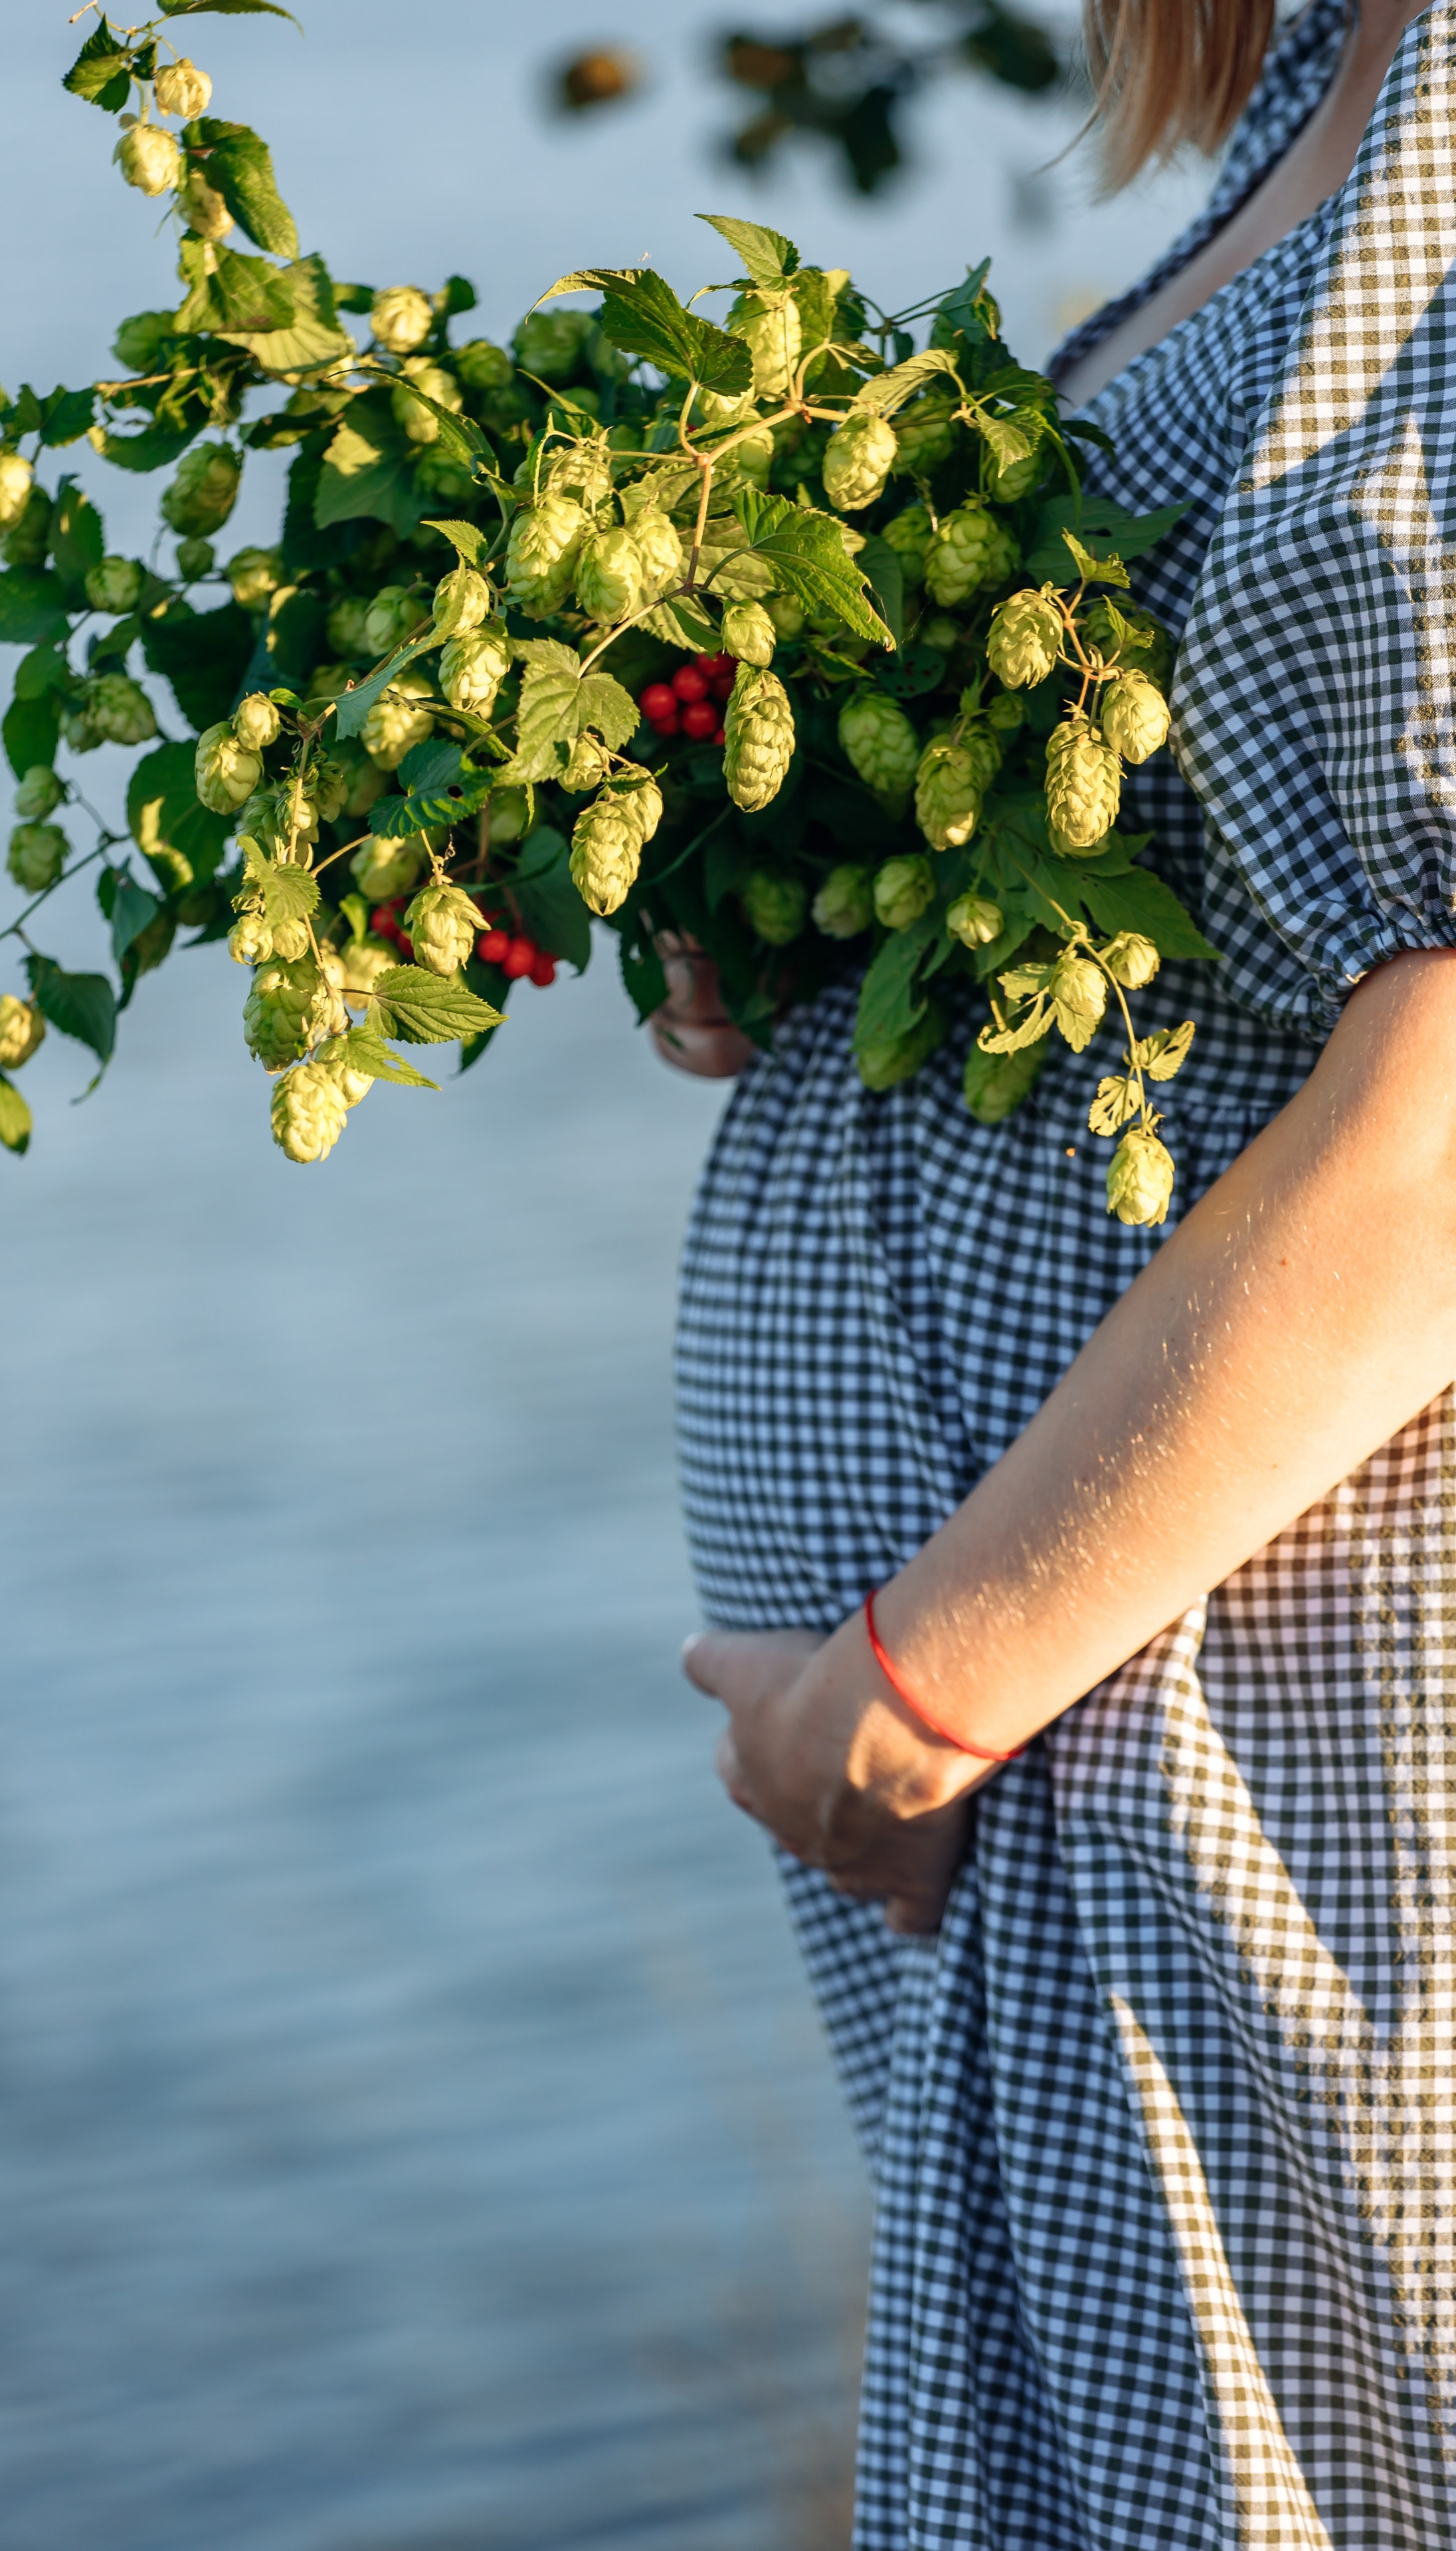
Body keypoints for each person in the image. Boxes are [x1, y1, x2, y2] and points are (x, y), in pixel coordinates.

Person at [665, 0, 1456, 2538]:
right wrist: (805, 876)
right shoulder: (1325, 81)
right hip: (1094, 1730)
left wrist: (936, 1670)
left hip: (1220, 1713)